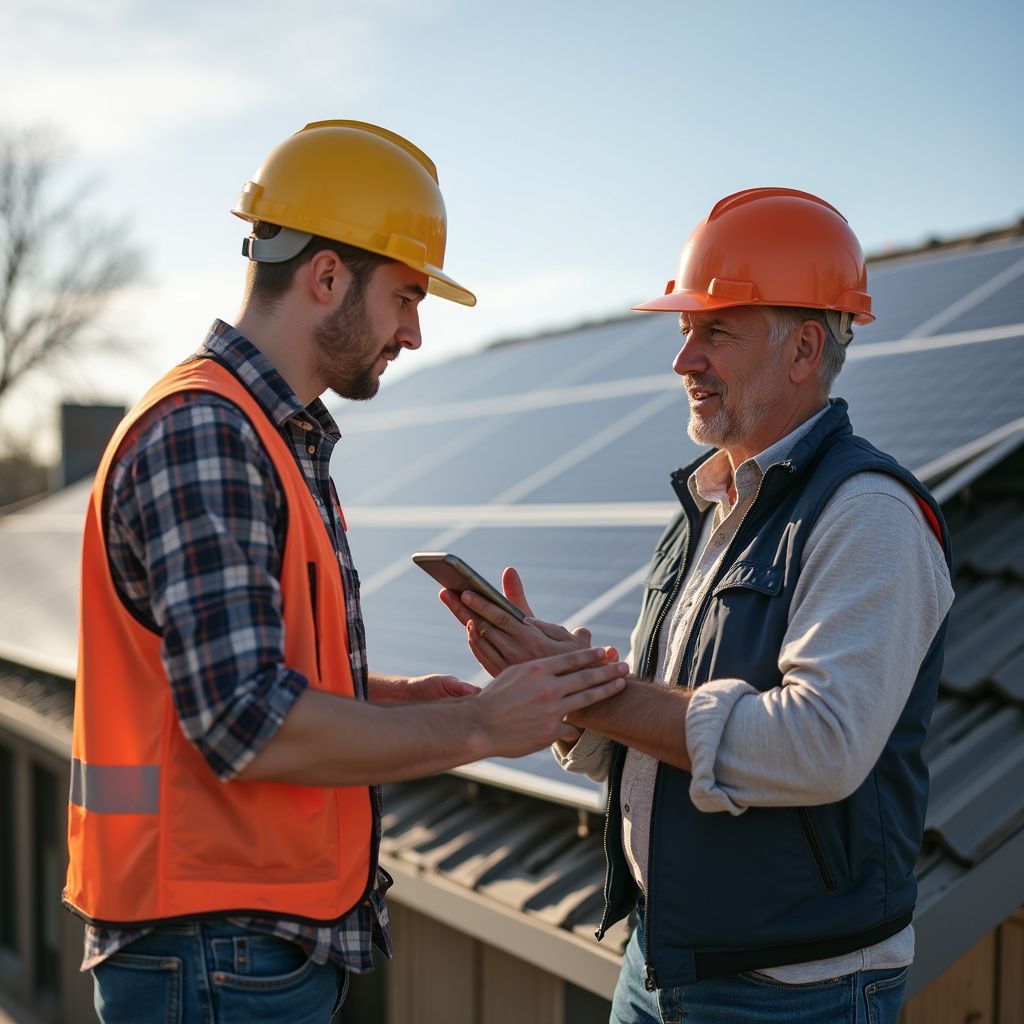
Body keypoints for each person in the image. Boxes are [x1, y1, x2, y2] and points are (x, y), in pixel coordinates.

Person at [63, 119, 628, 1024]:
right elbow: (248, 722)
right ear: (326, 276)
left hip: (233, 940)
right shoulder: (210, 432)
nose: (411, 332)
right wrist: (479, 724)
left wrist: (403, 699)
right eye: (406, 296)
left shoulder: (266, 433)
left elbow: (239, 677)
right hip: (213, 943)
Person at [440, 188, 955, 1023]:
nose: (683, 359)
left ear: (805, 349)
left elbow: (818, 746)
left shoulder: (868, 516)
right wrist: (570, 699)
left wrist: (604, 695)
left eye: (715, 331)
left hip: (795, 994)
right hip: (661, 962)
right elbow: (658, 737)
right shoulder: (712, 509)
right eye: (684, 331)